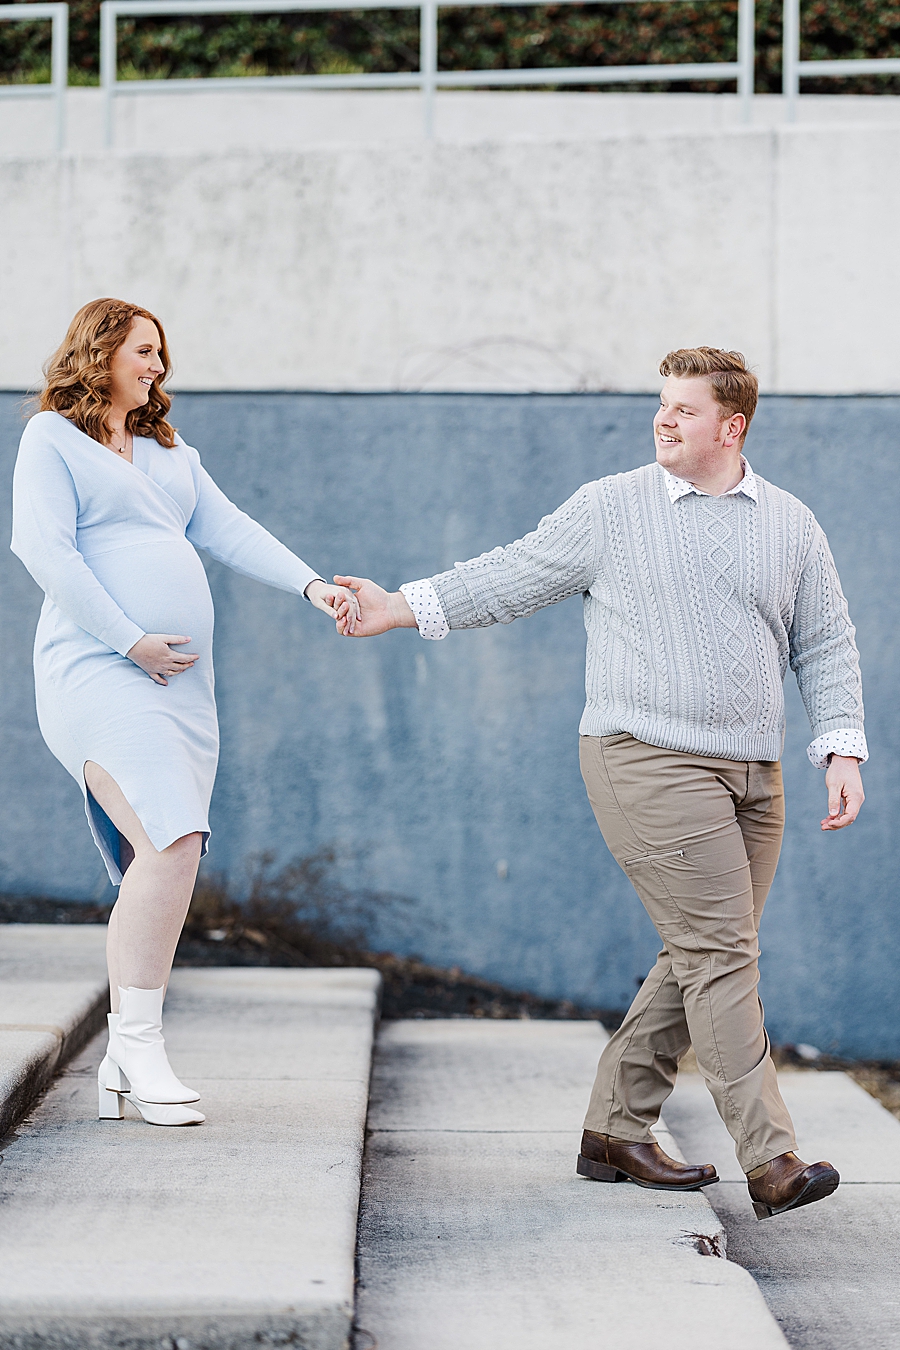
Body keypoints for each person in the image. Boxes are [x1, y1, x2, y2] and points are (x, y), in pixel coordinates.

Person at [332, 347, 866, 1221]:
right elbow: (511, 574)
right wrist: (400, 604)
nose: (663, 419)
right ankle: (772, 1161)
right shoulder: (611, 509)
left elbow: (827, 641)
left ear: (731, 427)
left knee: (702, 953)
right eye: (661, 405)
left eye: (684, 410)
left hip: (754, 771)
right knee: (722, 954)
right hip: (644, 756)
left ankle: (614, 1129)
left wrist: (839, 748)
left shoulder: (791, 524)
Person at [10, 298, 357, 1128]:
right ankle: (136, 1045)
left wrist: (313, 585)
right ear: (98, 354)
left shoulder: (169, 451)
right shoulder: (52, 440)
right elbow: (43, 550)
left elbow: (230, 530)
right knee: (172, 840)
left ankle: (128, 1059)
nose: (158, 364)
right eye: (142, 350)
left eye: (162, 352)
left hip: (178, 686)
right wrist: (130, 640)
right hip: (98, 669)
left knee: (164, 851)